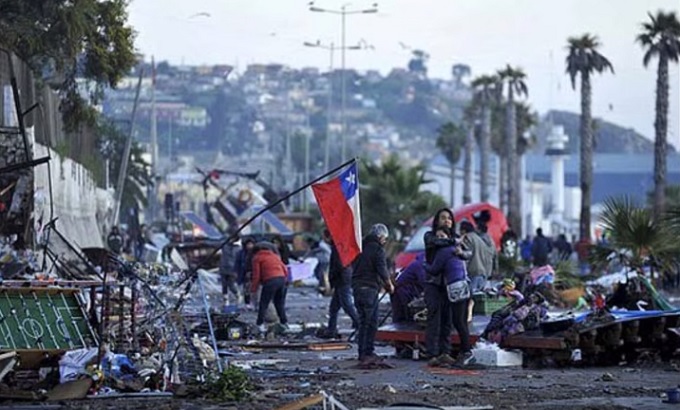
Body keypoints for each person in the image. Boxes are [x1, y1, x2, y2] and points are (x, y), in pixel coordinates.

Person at [352, 223, 393, 364]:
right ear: (381, 236)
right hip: (369, 289)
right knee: (371, 323)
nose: (385, 242)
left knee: (363, 322)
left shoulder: (360, 247)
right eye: (385, 239)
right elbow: (382, 269)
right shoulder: (378, 249)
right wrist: (389, 285)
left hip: (357, 288)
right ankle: (367, 353)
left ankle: (362, 353)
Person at [322, 229, 359, 339]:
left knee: (347, 305)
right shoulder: (338, 246)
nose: (324, 240)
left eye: (324, 237)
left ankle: (359, 323)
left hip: (342, 279)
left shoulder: (337, 247)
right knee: (334, 308)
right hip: (342, 279)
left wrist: (332, 279)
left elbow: (339, 265)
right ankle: (331, 330)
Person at [251, 241, 289, 333]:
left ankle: (259, 324)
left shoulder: (257, 258)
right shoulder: (275, 256)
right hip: (282, 279)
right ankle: (284, 323)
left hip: (270, 280)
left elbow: (256, 275)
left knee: (264, 303)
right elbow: (285, 269)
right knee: (279, 303)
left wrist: (253, 289)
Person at [460, 221, 497, 293]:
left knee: (470, 300)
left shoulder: (467, 238)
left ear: (463, 230)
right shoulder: (480, 239)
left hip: (472, 273)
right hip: (483, 273)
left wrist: (460, 253)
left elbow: (467, 255)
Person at [391, 253, 426, 323]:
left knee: (400, 316)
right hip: (403, 293)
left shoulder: (417, 263)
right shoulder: (420, 265)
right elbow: (424, 281)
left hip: (401, 291)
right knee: (404, 318)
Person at [219, 236, 242, 306]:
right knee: (224, 285)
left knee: (231, 284)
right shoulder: (225, 246)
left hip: (233, 269)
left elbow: (239, 260)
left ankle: (238, 295)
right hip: (223, 268)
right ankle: (225, 300)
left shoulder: (238, 248)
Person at [236, 238, 256, 305]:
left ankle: (254, 302)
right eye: (248, 244)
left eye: (251, 244)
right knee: (246, 289)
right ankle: (247, 303)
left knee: (254, 289)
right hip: (245, 273)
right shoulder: (241, 253)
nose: (249, 246)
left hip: (254, 273)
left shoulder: (255, 253)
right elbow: (238, 263)